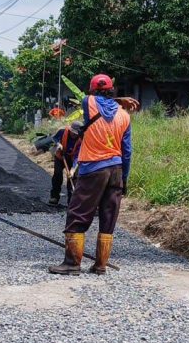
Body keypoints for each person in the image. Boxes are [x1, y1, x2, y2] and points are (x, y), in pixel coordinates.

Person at [49, 74, 132, 276]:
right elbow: (127, 150)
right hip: (116, 169)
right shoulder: (125, 116)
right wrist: (125, 178)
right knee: (108, 216)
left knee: (77, 214)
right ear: (112, 91)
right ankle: (100, 265)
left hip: (93, 168)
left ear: (93, 90)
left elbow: (94, 99)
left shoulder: (89, 102)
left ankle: (72, 263)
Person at [48, 121, 81, 206]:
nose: (74, 135)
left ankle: (71, 201)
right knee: (57, 174)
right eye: (73, 132)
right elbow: (54, 138)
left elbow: (78, 156)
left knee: (72, 177)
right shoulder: (62, 132)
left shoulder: (81, 139)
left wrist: (73, 170)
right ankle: (54, 197)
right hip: (60, 156)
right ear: (70, 130)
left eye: (76, 133)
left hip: (72, 159)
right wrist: (58, 144)